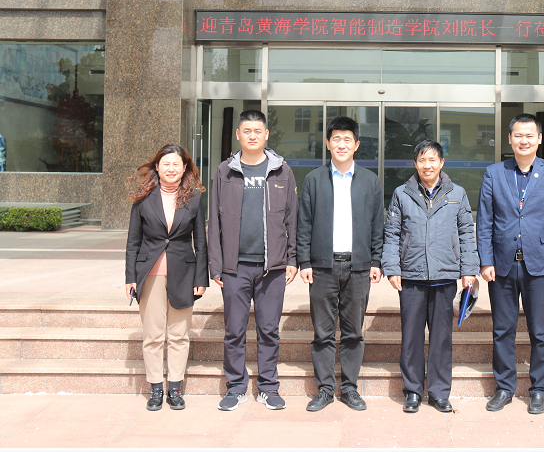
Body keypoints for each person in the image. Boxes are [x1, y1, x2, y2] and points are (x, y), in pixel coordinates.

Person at [476, 113, 544, 414]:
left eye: (530, 135)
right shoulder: (494, 173)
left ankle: (539, 390)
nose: (524, 140)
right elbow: (485, 221)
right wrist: (485, 260)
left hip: (540, 266)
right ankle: (504, 387)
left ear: (539, 139)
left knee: (540, 332)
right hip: (502, 265)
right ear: (510, 139)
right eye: (518, 135)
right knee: (502, 330)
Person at [208, 110, 299, 411]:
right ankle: (235, 388)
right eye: (246, 131)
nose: (252, 135)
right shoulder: (225, 171)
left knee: (269, 330)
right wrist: (216, 265)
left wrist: (292, 258)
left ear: (266, 134)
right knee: (234, 331)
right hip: (234, 267)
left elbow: (293, 219)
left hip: (272, 267)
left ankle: (268, 387)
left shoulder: (282, 171)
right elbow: (213, 221)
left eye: (257, 131)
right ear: (238, 134)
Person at [381, 140, 480, 413]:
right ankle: (413, 391)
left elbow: (466, 233)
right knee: (411, 338)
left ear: (441, 163)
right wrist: (392, 268)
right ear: (415, 163)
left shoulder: (457, 193)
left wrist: (469, 270)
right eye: (422, 160)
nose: (428, 165)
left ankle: (439, 393)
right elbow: (392, 233)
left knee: (441, 340)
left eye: (433, 160)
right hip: (411, 278)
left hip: (444, 277)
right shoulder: (401, 193)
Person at [297, 116, 385, 412]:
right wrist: (304, 261)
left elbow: (378, 224)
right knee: (322, 332)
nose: (342, 144)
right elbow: (304, 223)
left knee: (353, 331)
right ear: (327, 143)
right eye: (336, 139)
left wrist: (376, 259)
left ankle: (349, 388)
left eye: (348, 139)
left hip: (358, 267)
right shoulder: (314, 179)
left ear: (357, 144)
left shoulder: (370, 181)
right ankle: (324, 389)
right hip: (322, 267)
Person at [125, 144, 208, 411]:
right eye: (166, 164)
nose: (171, 169)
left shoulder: (194, 199)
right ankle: (156, 388)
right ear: (157, 167)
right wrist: (130, 277)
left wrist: (201, 278)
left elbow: (201, 242)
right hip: (149, 274)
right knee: (152, 335)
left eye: (176, 164)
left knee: (179, 334)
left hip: (184, 274)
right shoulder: (143, 198)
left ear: (184, 169)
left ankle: (174, 388)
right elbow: (133, 241)